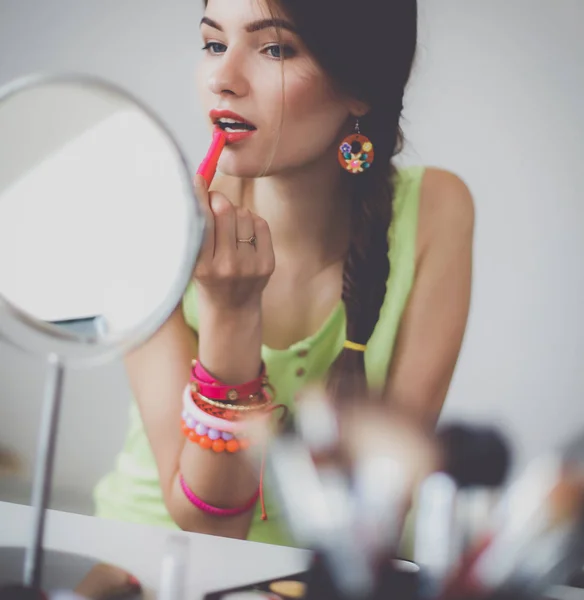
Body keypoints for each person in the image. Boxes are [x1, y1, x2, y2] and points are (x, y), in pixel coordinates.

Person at [94, 0, 474, 547]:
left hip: (335, 571)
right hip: (158, 561)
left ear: (359, 84)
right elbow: (210, 523)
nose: (222, 79)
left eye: (274, 48)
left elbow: (387, 495)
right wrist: (230, 313)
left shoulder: (437, 211)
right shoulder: (154, 220)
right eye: (213, 43)